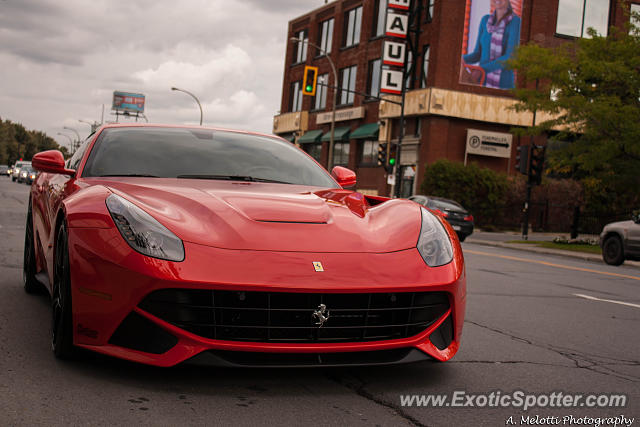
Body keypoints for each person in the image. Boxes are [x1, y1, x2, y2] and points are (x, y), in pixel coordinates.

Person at [462, 0, 521, 89]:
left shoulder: (516, 22)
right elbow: (477, 54)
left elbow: (510, 57)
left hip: (503, 85)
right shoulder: (484, 20)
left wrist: (482, 70)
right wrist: (461, 59)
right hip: (482, 82)